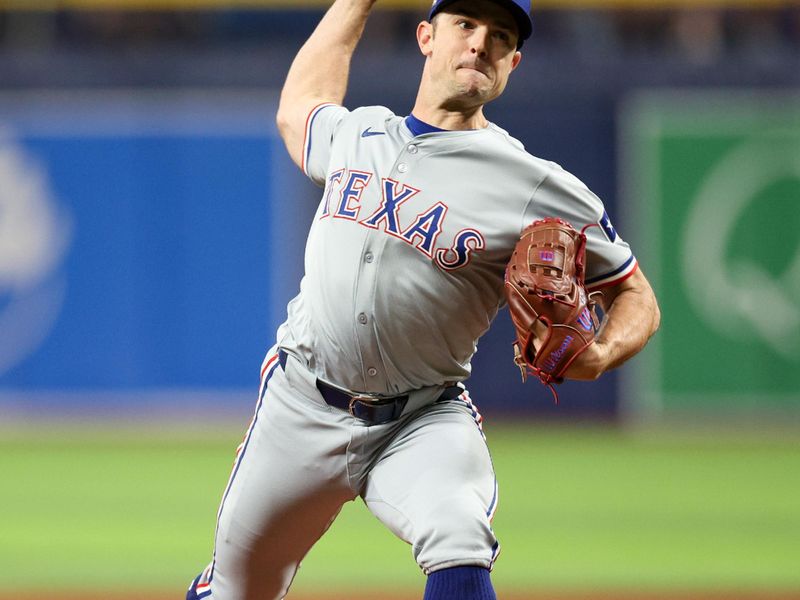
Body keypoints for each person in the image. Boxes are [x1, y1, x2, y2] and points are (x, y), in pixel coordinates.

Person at [187, 0, 660, 598]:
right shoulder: (359, 134)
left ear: (513, 61)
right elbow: (299, 108)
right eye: (465, 24)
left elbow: (636, 294)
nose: (480, 42)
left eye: (500, 35)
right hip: (301, 403)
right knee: (237, 590)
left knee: (459, 534)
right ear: (425, 38)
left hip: (421, 418)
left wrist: (597, 354)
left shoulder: (534, 182)